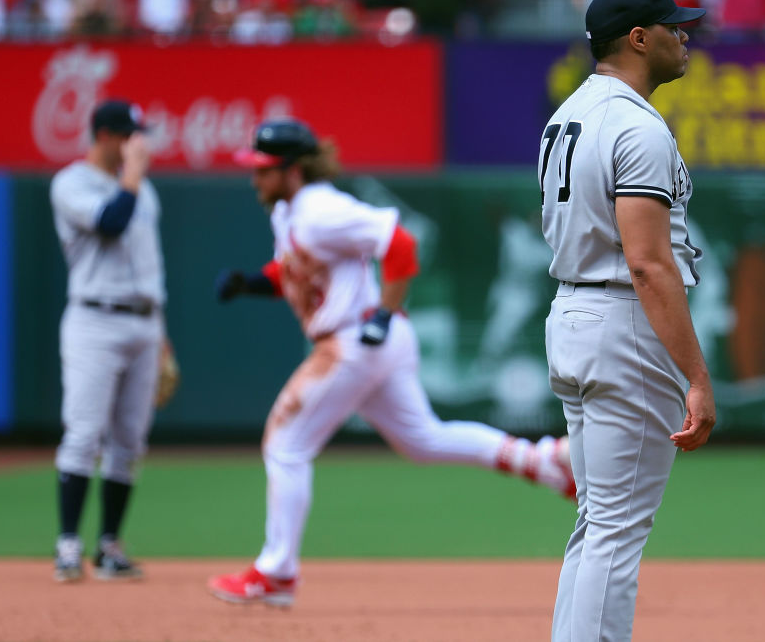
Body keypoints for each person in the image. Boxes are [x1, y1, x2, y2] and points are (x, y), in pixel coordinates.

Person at [208, 118, 576, 607]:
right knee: (423, 438)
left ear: (293, 170)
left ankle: (276, 571)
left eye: (265, 169)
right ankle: (546, 462)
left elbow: (398, 243)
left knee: (285, 443)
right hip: (370, 339)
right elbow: (298, 269)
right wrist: (254, 284)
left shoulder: (321, 208)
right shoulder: (290, 214)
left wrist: (383, 311)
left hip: (357, 338)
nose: (256, 178)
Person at [539, 0, 716, 642]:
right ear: (639, 38)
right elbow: (647, 262)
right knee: (616, 529)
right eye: (674, 25)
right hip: (623, 325)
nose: (684, 34)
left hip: (573, 315)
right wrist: (696, 375)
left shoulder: (568, 114)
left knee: (597, 521)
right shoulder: (636, 126)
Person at [49, 99, 168, 583]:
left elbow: (149, 264)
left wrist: (163, 333)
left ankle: (110, 547)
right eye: (129, 135)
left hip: (144, 321)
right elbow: (112, 222)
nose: (137, 144)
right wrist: (134, 175)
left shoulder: (145, 191)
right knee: (83, 434)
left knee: (130, 440)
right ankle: (68, 545)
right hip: (94, 320)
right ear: (104, 135)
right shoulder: (71, 183)